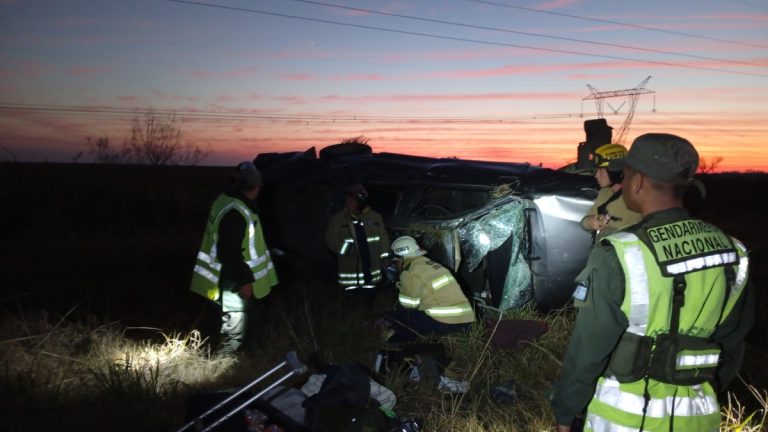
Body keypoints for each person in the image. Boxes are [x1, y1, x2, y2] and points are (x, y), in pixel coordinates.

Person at [550, 133, 754, 431]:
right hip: (698, 417)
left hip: (621, 420)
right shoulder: (733, 251)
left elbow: (588, 351)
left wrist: (565, 412)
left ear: (638, 181)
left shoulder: (622, 253)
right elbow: (732, 343)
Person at [190, 161, 279, 356]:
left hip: (229, 277)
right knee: (234, 330)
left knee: (237, 325)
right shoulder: (236, 212)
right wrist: (245, 280)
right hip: (233, 280)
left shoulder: (227, 201)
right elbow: (229, 252)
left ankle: (234, 361)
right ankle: (223, 368)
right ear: (255, 187)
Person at [381, 236, 475, 343]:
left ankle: (395, 340)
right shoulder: (429, 264)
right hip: (466, 321)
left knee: (401, 312)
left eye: (395, 261)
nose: (395, 265)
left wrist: (399, 291)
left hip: (446, 323)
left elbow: (409, 303)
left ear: (402, 258)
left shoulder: (409, 270)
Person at [325, 184, 390, 303]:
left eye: (352, 201)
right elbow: (330, 239)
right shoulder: (338, 219)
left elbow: (383, 238)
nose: (348, 203)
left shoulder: (375, 217)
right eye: (347, 201)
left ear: (361, 202)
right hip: (350, 271)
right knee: (351, 303)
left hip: (371, 269)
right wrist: (347, 249)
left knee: (370, 299)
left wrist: (385, 257)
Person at [580, 143, 642, 243]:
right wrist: (590, 222)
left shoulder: (638, 195)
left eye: (601, 170)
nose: (596, 175)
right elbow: (584, 222)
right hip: (604, 252)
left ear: (615, 171)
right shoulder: (604, 192)